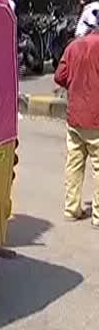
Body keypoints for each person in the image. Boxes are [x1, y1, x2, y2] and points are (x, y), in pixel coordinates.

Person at [55, 20, 99, 226]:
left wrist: (74, 85)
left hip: (75, 117)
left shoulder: (74, 46)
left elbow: (59, 76)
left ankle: (71, 209)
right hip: (96, 118)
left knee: (74, 164)